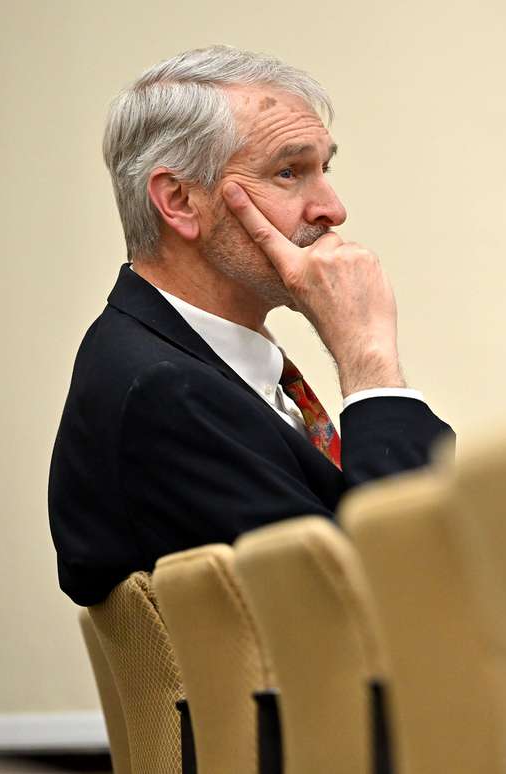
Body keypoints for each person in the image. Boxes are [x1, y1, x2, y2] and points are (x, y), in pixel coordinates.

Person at [49, 46, 453, 606]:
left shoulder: (195, 363)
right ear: (180, 201)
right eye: (289, 172)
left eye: (324, 169)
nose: (332, 209)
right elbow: (400, 593)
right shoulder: (164, 392)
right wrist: (368, 360)